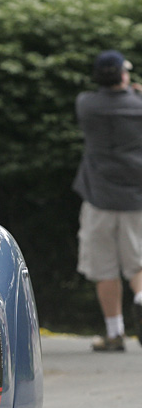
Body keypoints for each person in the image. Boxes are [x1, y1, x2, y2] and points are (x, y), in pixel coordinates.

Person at [73, 49, 142, 352]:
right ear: (124, 75)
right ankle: (141, 298)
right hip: (136, 197)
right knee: (138, 264)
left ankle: (115, 333)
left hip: (98, 197)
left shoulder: (86, 104)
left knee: (104, 268)